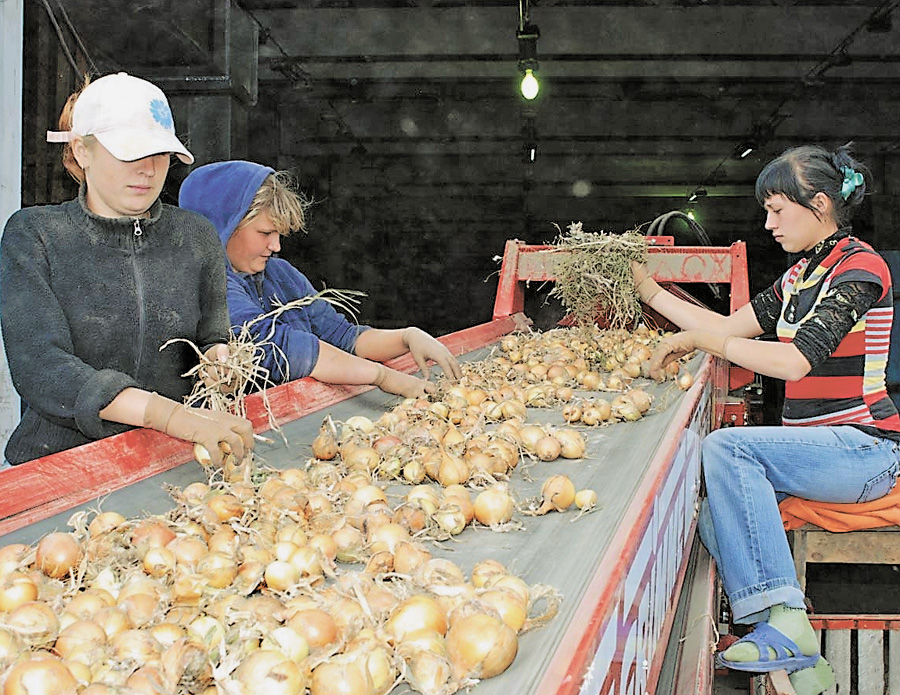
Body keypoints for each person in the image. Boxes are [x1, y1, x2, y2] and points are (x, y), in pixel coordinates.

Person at [634, 144, 900, 694]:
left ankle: (784, 620)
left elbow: (793, 361)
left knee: (730, 449)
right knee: (713, 526)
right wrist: (647, 290)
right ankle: (804, 670)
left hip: (866, 448)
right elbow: (729, 326)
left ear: (820, 205)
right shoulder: (803, 275)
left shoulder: (860, 269)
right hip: (821, 452)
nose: (768, 222)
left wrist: (703, 340)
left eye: (778, 209)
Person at [0, 73, 254, 467]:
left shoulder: (195, 237)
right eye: (130, 153)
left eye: (160, 154)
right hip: (62, 464)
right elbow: (43, 368)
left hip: (173, 462)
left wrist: (219, 364)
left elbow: (212, 336)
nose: (149, 170)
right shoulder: (36, 236)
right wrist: (169, 415)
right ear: (82, 151)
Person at [177, 160, 462, 398]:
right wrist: (384, 377)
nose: (276, 246)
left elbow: (344, 337)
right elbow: (280, 346)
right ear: (223, 228)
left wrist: (407, 336)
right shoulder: (209, 286)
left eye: (278, 235)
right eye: (265, 234)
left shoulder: (281, 275)